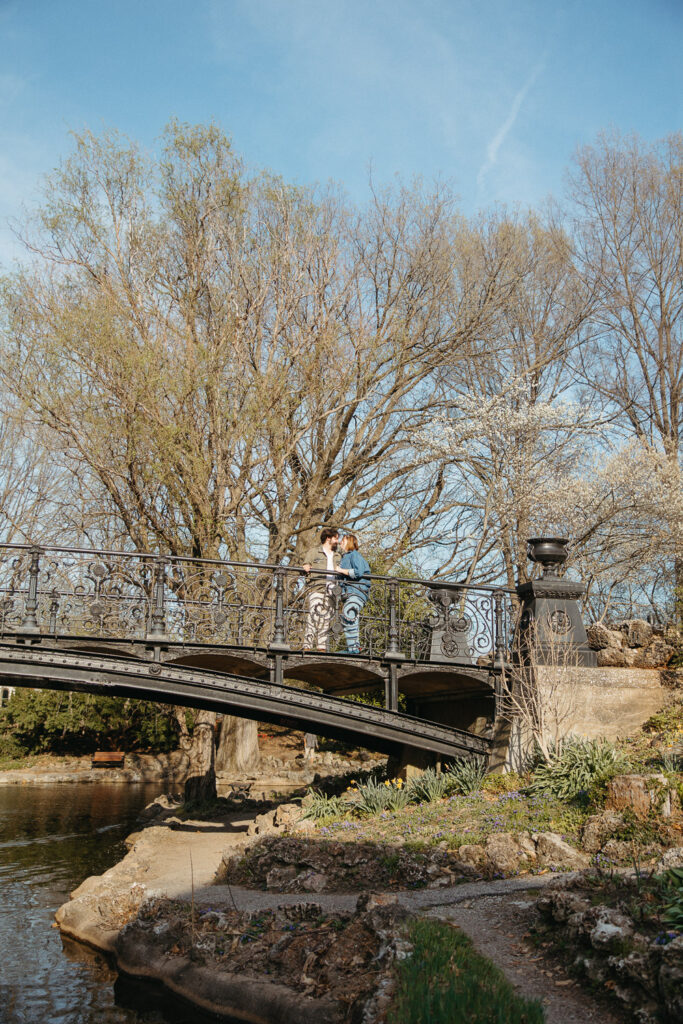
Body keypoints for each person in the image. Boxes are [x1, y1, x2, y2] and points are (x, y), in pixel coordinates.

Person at [301, 527, 341, 650]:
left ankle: (321, 646)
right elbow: (306, 564)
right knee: (313, 614)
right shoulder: (314, 552)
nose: (337, 541)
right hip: (317, 587)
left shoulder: (338, 555)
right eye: (335, 538)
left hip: (332, 590)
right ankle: (307, 644)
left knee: (326, 617)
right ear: (328, 538)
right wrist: (306, 566)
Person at [338, 533, 371, 654]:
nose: (341, 542)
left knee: (349, 613)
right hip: (350, 592)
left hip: (357, 591)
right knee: (350, 617)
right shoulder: (345, 557)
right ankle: (353, 647)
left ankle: (354, 649)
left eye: (343, 540)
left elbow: (359, 572)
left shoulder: (354, 555)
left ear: (350, 541)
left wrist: (340, 570)